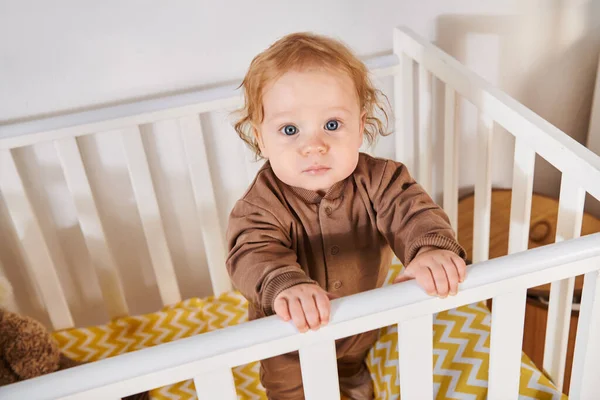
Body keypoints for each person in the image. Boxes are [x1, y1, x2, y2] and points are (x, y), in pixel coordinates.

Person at [226, 31, 467, 400]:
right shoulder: (260, 205)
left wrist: (429, 249)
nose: (314, 145)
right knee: (290, 387)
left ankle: (350, 377)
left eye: (333, 125)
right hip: (288, 334)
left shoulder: (382, 180)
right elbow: (251, 252)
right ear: (261, 138)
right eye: (289, 130)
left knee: (351, 362)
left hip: (359, 321)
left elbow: (412, 210)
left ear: (360, 126)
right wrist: (286, 285)